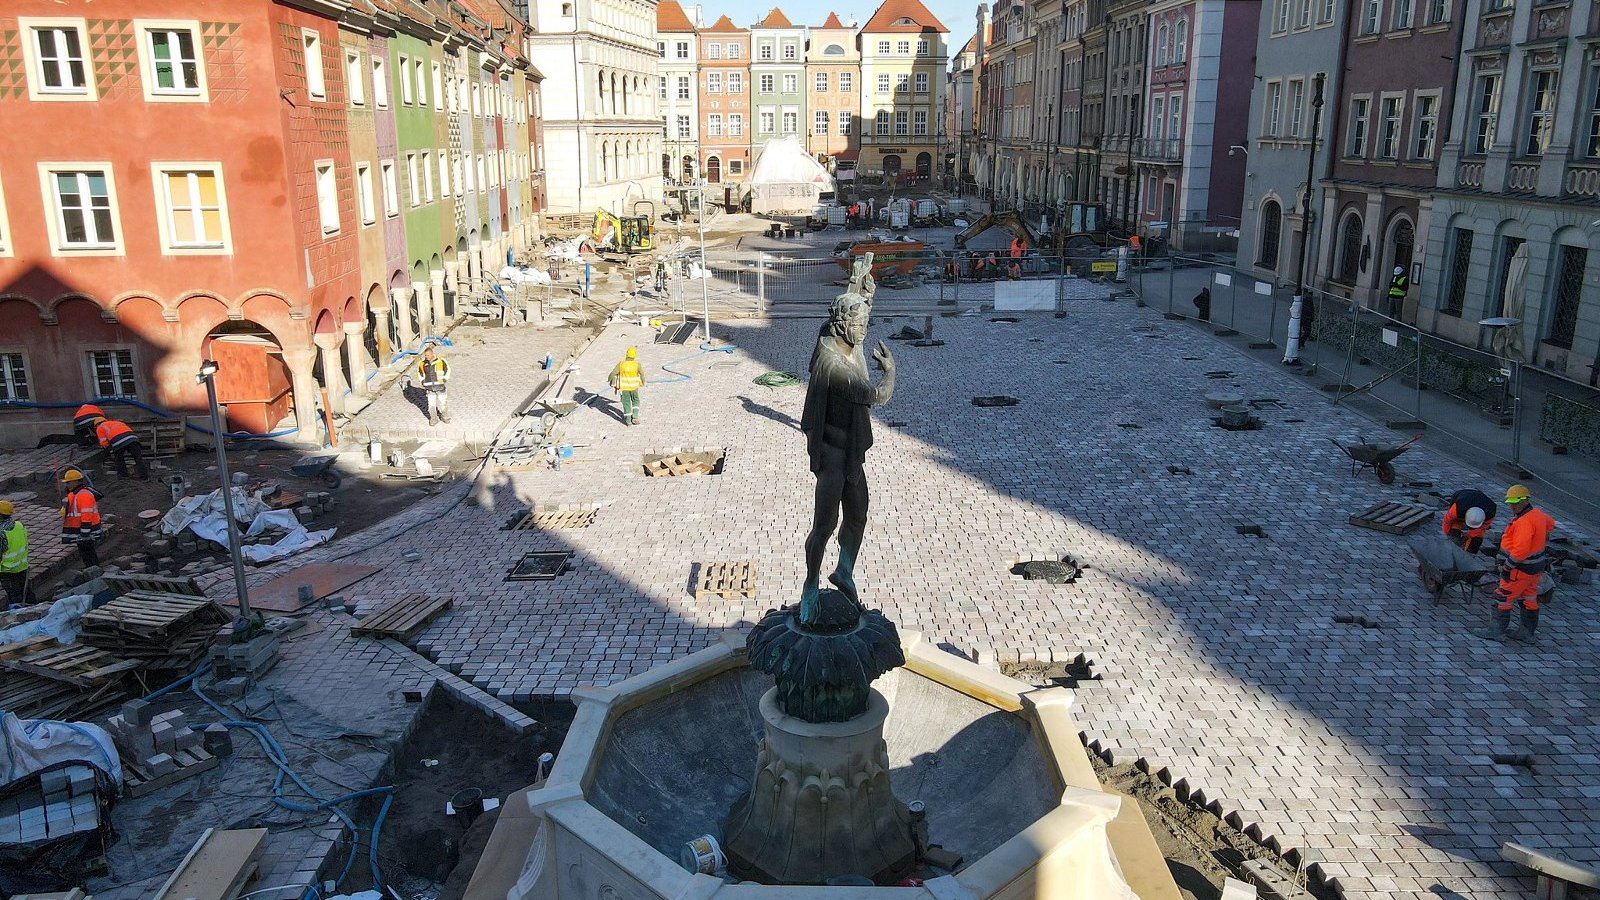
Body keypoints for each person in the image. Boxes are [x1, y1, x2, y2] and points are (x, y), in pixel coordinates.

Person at [799, 255, 895, 620]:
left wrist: (859, 284)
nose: (865, 331)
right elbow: (878, 396)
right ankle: (810, 584)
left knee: (858, 516)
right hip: (832, 456)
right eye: (860, 325)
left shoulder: (833, 332)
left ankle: (844, 570)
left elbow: (850, 309)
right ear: (842, 327)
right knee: (824, 525)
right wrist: (891, 370)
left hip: (851, 455)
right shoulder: (837, 368)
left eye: (866, 324)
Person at [1473, 484, 1555, 643]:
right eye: (1510, 502)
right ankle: (1527, 633)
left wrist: (1508, 566)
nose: (1512, 506)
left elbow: (1520, 550)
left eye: (1515, 503)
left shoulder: (1523, 522)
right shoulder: (1537, 514)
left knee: (1502, 597)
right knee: (1529, 598)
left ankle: (1496, 631)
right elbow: (1551, 524)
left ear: (1525, 501)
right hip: (1535, 569)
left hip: (1519, 570)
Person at [59, 470, 102, 569]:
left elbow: (86, 515)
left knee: (88, 554)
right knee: (86, 554)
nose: (67, 485)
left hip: (87, 531)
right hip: (82, 531)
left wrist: (84, 534)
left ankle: (94, 570)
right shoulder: (75, 494)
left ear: (76, 481)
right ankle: (91, 569)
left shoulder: (83, 495)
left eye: (68, 482)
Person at [1442, 488, 1497, 553]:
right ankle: (1453, 544)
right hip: (1461, 497)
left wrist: (1469, 551)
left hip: (1482, 501)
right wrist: (1447, 533)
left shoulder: (1490, 513)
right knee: (1455, 524)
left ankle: (1470, 554)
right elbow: (1447, 521)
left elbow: (1478, 531)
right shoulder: (1457, 510)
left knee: (1476, 537)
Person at [0, 500, 34, 606]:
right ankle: (36, 610)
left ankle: (19, 618)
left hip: (8, 570)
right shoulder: (19, 525)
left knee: (15, 598)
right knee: (27, 594)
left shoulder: (1, 533)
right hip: (22, 567)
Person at [609, 347, 644, 426]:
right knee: (636, 401)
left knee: (626, 403)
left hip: (624, 388)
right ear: (634, 355)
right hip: (634, 387)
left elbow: (613, 373)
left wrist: (609, 380)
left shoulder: (621, 364)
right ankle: (635, 416)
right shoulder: (637, 364)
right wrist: (643, 382)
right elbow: (642, 374)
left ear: (626, 354)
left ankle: (628, 421)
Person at [417, 344, 451, 425]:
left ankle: (445, 417)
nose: (426, 357)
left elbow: (448, 369)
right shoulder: (422, 363)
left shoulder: (441, 361)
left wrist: (445, 379)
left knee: (443, 403)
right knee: (431, 404)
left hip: (440, 386)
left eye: (428, 355)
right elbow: (420, 373)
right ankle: (433, 419)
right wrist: (422, 381)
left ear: (432, 354)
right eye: (425, 355)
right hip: (429, 388)